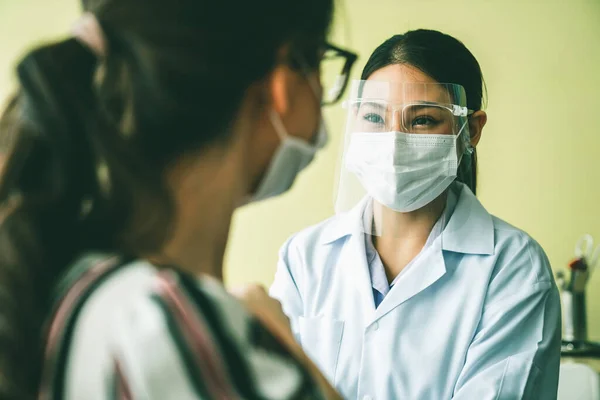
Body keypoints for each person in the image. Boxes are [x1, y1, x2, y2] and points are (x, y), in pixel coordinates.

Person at [0, 0, 359, 397]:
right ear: (284, 84)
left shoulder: (75, 283)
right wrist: (286, 344)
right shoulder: (167, 324)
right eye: (323, 62)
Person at [271, 29, 561, 399]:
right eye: (375, 118)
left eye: (422, 120)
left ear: (470, 130)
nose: (394, 142)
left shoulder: (513, 269)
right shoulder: (304, 257)